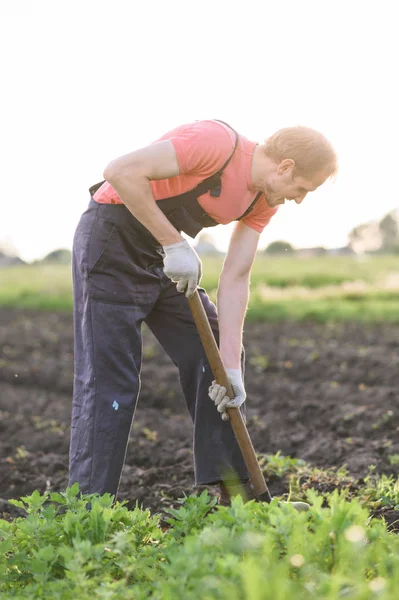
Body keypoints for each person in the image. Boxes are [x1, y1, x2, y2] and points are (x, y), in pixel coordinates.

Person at [69, 119, 337, 505]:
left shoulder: (263, 199)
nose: (299, 199)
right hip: (112, 242)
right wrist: (172, 243)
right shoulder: (215, 143)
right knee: (112, 380)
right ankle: (86, 510)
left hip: (163, 256)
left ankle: (238, 498)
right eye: (302, 189)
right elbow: (120, 172)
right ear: (286, 167)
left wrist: (230, 366)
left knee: (213, 358)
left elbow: (236, 277)